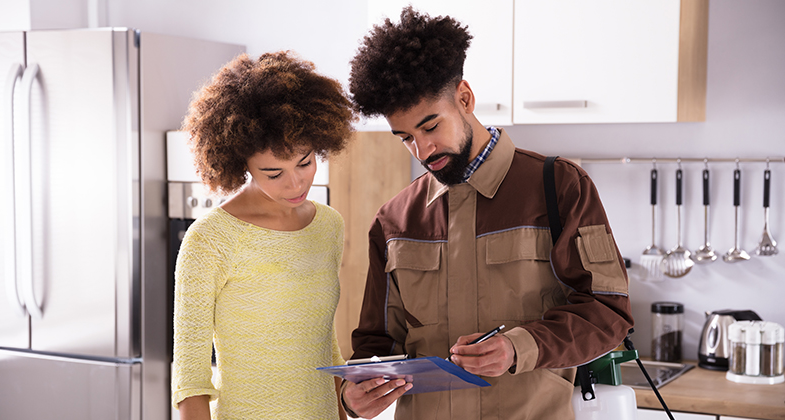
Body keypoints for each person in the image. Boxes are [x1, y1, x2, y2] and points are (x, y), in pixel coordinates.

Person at [340, 7, 634, 420]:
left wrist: (519, 347)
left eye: (430, 127)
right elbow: (377, 344)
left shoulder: (560, 186)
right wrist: (355, 396)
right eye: (405, 137)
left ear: (464, 98)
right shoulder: (394, 221)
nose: (422, 151)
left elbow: (608, 313)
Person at [171, 51, 355, 420]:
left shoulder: (328, 226)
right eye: (273, 173)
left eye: (305, 162)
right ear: (242, 163)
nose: (296, 182)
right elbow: (190, 379)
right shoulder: (209, 239)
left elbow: (325, 347)